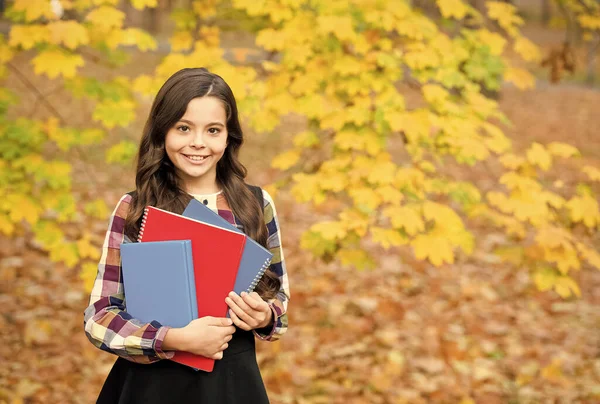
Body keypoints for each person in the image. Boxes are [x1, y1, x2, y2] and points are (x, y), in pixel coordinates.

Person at [83, 67, 289, 403]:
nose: (198, 142)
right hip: (150, 387)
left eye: (213, 130)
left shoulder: (255, 204)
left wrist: (264, 315)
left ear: (229, 137)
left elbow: (278, 301)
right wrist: (173, 338)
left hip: (230, 386)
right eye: (183, 128)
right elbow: (100, 317)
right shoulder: (135, 207)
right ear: (162, 132)